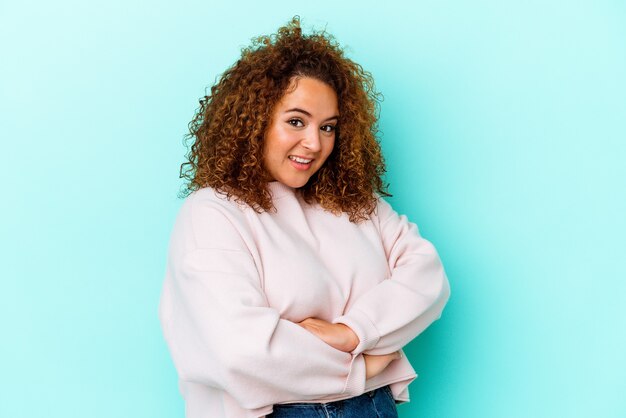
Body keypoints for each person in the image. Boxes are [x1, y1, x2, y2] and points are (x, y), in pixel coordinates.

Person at [158, 16, 450, 418]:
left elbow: (427, 277)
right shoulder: (213, 212)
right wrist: (362, 367)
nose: (314, 143)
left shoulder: (353, 203)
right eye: (296, 121)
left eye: (328, 127)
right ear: (255, 120)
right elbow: (241, 352)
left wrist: (351, 332)